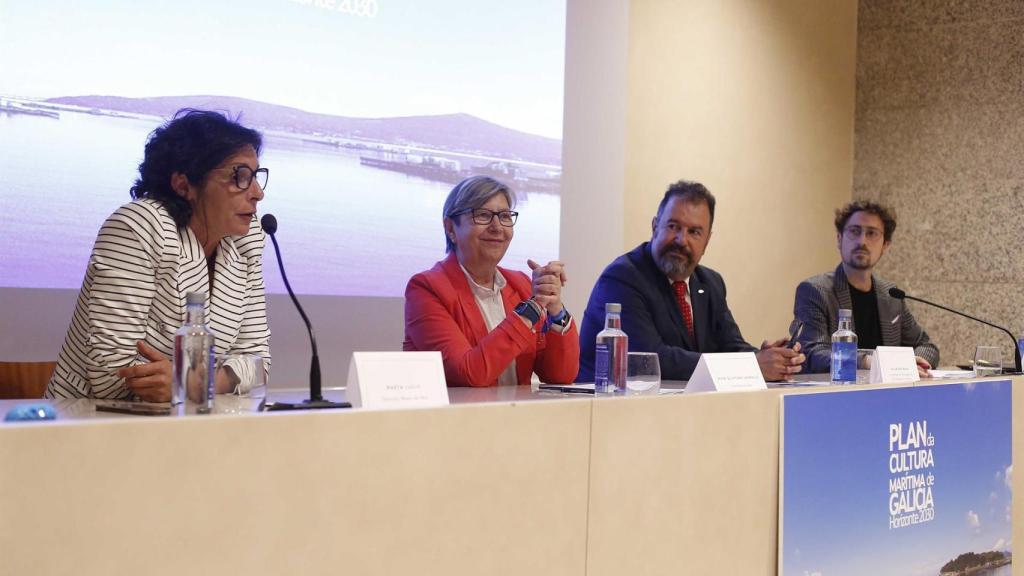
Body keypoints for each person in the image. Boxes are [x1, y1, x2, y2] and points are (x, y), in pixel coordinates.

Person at [45, 109, 271, 401]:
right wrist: (207, 383)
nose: (257, 193)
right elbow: (109, 373)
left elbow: (259, 364)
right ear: (183, 185)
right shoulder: (139, 226)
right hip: (89, 417)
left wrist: (193, 384)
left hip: (189, 419)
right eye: (239, 176)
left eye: (255, 176)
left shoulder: (246, 241)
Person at [578, 180, 803, 382]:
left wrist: (768, 358)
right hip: (612, 407)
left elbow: (730, 345)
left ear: (707, 241)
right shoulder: (623, 278)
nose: (681, 240)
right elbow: (652, 360)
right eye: (673, 226)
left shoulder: (710, 283)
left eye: (694, 232)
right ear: (655, 227)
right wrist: (752, 366)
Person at [403, 176, 579, 387]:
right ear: (450, 228)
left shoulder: (520, 284)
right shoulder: (427, 288)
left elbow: (560, 376)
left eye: (505, 216)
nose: (497, 227)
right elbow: (468, 374)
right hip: (458, 409)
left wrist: (555, 310)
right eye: (483, 215)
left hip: (516, 408)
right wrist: (530, 311)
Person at [791, 200, 938, 376]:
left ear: (885, 245)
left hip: (888, 391)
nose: (862, 241)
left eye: (872, 233)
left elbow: (927, 347)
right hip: (838, 390)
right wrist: (869, 361)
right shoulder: (815, 291)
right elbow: (813, 353)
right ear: (839, 239)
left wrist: (914, 362)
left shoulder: (891, 296)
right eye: (854, 231)